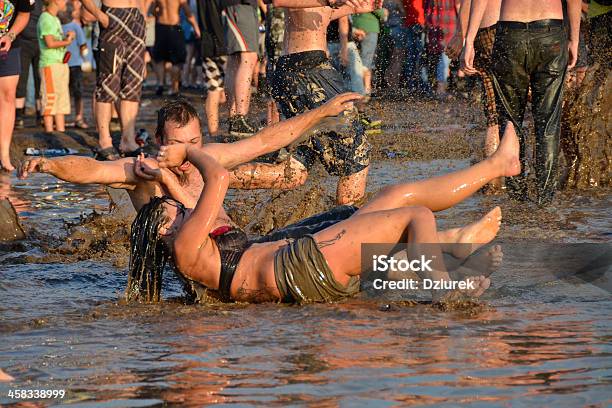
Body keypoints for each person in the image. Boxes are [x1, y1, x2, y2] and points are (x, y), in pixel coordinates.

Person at [127, 123, 521, 304]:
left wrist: (166, 175)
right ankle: (439, 284)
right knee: (414, 215)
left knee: (393, 197)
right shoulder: (184, 244)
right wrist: (188, 151)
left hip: (299, 270)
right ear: (163, 231)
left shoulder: (186, 248)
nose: (180, 212)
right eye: (172, 214)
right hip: (299, 265)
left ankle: (496, 167)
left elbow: (195, 207)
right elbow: (218, 177)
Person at [18, 93, 360, 212]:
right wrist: (48, 165)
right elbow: (91, 170)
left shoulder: (209, 156)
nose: (187, 153)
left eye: (193, 144)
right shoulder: (144, 171)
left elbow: (265, 142)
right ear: (157, 141)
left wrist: (323, 112)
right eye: (177, 145)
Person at [463, 0, 581, 204]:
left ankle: (518, 198)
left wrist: (470, 39)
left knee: (510, 121)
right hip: (550, 32)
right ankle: (545, 200)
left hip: (511, 32)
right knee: (548, 125)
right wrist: (575, 39)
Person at [271, 1, 382, 206]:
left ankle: (218, 173)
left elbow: (318, 14)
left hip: (301, 68)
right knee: (356, 153)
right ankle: (347, 227)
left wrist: (356, 8)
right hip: (308, 70)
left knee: (294, 172)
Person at [80, 0, 150, 159]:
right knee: (107, 84)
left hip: (137, 19)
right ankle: (104, 141)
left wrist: (143, 14)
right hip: (112, 14)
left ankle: (128, 140)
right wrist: (100, 16)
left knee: (133, 84)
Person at [447, 0, 502, 192]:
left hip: (487, 30)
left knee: (494, 115)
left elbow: (467, 2)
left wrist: (462, 35)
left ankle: (493, 183)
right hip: (529, 30)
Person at [220, 0, 260, 137]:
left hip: (241, 7)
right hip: (240, 7)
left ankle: (234, 118)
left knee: (235, 61)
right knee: (248, 58)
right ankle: (239, 118)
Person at [0, 0, 32, 172]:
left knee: (8, 96)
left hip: (8, 47)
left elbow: (24, 13)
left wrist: (10, 35)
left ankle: (4, 154)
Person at [38, 0, 74, 133]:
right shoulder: (45, 18)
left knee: (61, 100)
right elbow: (50, 43)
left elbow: (55, 40)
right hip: (50, 64)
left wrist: (66, 38)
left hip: (60, 64)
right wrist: (67, 41)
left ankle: (61, 131)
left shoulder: (55, 18)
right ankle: (49, 131)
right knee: (50, 99)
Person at [152, 0, 200, 95]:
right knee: (176, 61)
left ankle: (160, 83)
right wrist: (196, 27)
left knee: (160, 58)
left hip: (161, 25)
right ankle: (174, 87)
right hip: (175, 26)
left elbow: (152, 10)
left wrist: (159, 14)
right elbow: (188, 13)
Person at [197, 0, 226, 138]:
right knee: (233, 90)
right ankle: (233, 127)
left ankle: (213, 133)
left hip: (206, 45)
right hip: (225, 45)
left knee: (213, 91)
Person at [13, 0, 42, 130]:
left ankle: (40, 116)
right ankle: (18, 116)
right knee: (21, 80)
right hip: (23, 42)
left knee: (40, 81)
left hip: (40, 43)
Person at [61, 0, 89, 129]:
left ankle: (79, 117)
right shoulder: (58, 25)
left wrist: (85, 59)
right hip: (62, 64)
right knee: (64, 92)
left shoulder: (75, 26)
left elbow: (83, 45)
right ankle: (64, 118)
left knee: (77, 92)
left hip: (75, 64)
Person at [351, 8, 385, 96]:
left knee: (357, 60)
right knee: (366, 61)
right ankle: (363, 92)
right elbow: (377, 9)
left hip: (355, 26)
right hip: (370, 28)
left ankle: (363, 90)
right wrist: (384, 12)